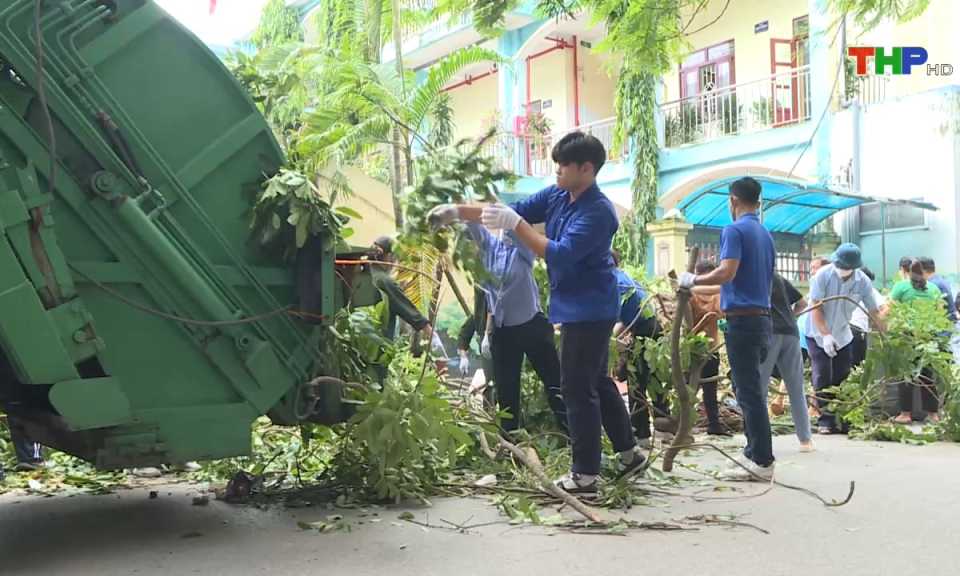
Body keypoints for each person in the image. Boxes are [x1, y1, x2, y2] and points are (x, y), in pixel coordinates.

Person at [430, 131, 648, 497]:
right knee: (596, 382)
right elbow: (502, 213)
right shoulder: (558, 195)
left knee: (577, 388)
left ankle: (585, 476)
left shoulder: (599, 212)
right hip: (575, 306)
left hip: (591, 308)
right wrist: (456, 213)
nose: (557, 170)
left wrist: (515, 225)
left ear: (586, 168)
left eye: (564, 165)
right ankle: (629, 454)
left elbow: (559, 253)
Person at [679, 177, 776, 481]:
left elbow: (727, 271)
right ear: (757, 202)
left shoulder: (733, 230)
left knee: (748, 392)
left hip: (744, 320)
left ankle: (762, 460)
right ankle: (752, 452)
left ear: (732, 201)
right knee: (748, 388)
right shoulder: (764, 233)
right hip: (762, 318)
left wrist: (692, 280)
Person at [441, 214, 569, 435]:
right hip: (503, 332)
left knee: (554, 382)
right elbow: (473, 223)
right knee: (506, 393)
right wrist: (456, 207)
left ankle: (573, 436)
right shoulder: (486, 252)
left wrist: (509, 218)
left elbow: (517, 225)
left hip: (532, 326)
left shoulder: (522, 252)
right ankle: (511, 446)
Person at [804, 243, 883, 435]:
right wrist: (825, 335)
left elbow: (873, 311)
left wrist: (884, 333)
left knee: (843, 376)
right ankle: (825, 420)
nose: (842, 270)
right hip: (817, 332)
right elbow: (816, 306)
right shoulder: (823, 275)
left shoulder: (862, 281)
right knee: (823, 374)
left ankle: (843, 418)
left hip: (843, 334)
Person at [611, 250, 667, 445]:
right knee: (654, 377)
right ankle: (664, 424)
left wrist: (609, 340)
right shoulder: (625, 277)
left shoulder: (616, 282)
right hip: (652, 329)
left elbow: (621, 319)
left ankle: (641, 433)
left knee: (636, 382)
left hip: (645, 331)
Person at [760, 273, 816, 452]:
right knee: (796, 387)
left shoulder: (754, 275)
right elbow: (802, 303)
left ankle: (758, 439)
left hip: (768, 332)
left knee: (758, 387)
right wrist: (790, 317)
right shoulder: (778, 278)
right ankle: (805, 440)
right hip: (791, 333)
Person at [888, 259, 943, 424]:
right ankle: (933, 415)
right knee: (927, 376)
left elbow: (889, 309)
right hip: (928, 337)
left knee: (906, 375)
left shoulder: (901, 286)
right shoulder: (933, 289)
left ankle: (905, 414)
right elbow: (940, 312)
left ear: (907, 271)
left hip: (907, 336)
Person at [686, 260, 726, 436]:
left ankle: (714, 425)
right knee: (689, 387)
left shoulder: (717, 295)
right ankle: (684, 423)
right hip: (692, 347)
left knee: (710, 389)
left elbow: (722, 311)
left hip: (712, 348)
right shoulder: (691, 295)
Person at [850, 266, 888, 368]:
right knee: (857, 366)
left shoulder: (845, 288)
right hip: (857, 331)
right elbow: (885, 310)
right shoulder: (871, 291)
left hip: (842, 330)